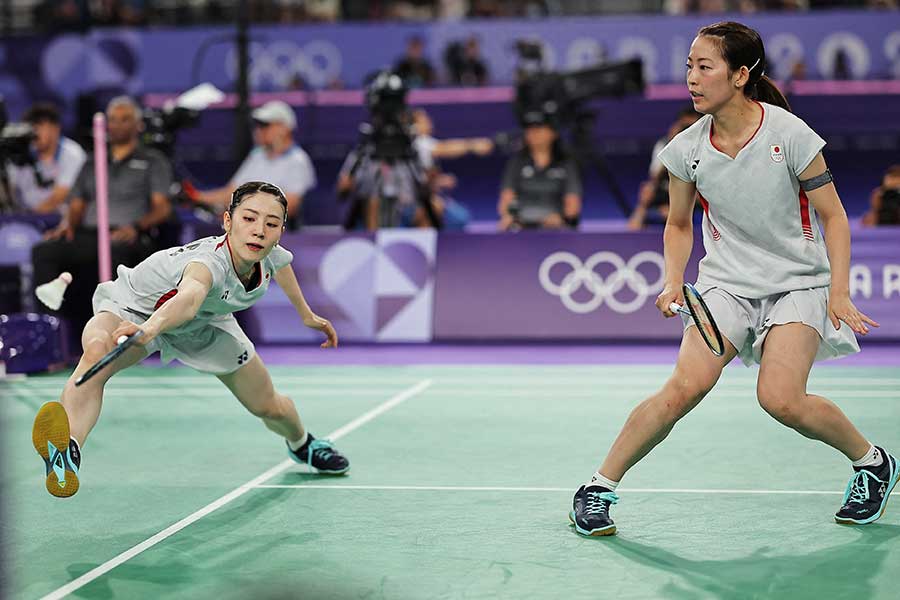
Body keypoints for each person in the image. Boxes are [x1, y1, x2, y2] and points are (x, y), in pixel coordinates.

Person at [570, 21, 895, 537]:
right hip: (726, 285)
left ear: (741, 75)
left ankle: (873, 462)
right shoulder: (685, 149)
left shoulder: (790, 135)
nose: (692, 80)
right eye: (689, 68)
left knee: (781, 399)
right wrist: (673, 279)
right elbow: (678, 225)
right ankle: (597, 488)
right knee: (684, 387)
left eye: (705, 67)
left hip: (796, 283)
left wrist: (838, 289)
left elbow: (834, 216)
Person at [31, 181, 348, 499]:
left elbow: (281, 265)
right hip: (136, 310)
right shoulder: (207, 264)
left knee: (271, 406)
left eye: (271, 223)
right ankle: (67, 450)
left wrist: (306, 315)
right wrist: (150, 329)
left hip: (205, 325)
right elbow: (189, 298)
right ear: (227, 221)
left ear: (280, 230)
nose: (259, 230)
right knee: (98, 350)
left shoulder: (269, 252)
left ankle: (303, 444)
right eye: (249, 218)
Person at [31, 96, 172, 348]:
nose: (117, 125)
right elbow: (77, 204)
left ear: (138, 125)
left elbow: (162, 208)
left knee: (117, 254)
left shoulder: (152, 161)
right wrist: (68, 226)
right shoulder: (92, 162)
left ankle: (121, 337)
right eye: (113, 120)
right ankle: (49, 339)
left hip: (128, 236)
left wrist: (136, 227)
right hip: (89, 234)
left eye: (125, 119)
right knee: (44, 252)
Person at [194, 101, 316, 229]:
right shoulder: (257, 155)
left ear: (283, 128)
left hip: (283, 238)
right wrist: (197, 197)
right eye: (257, 125)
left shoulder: (298, 161)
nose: (258, 130)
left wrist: (242, 213)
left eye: (265, 125)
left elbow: (290, 206)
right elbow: (232, 191)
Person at [497, 114, 581, 230]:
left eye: (539, 128)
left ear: (553, 133)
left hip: (555, 224)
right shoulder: (517, 162)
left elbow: (573, 203)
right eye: (529, 129)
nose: (533, 133)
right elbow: (506, 197)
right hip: (521, 223)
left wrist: (561, 218)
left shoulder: (566, 163)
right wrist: (509, 216)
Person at [5, 102, 86, 215]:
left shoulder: (73, 154)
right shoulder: (22, 154)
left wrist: (29, 218)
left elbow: (58, 197)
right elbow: (8, 189)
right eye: (32, 128)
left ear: (55, 129)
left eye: (39, 127)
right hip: (23, 219)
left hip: (59, 221)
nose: (35, 133)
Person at [627, 106, 701, 230]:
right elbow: (656, 176)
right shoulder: (665, 143)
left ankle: (677, 213)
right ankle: (636, 224)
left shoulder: (704, 143)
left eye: (691, 127)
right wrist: (673, 144)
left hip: (696, 190)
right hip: (669, 187)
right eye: (684, 126)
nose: (687, 131)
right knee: (648, 189)